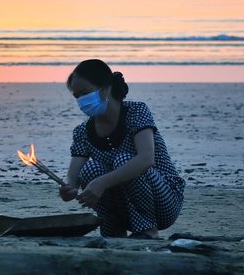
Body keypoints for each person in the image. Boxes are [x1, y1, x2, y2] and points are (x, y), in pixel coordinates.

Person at [58, 59, 184, 238]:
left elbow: (146, 159)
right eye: (77, 96)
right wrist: (67, 189)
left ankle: (148, 231)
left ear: (105, 89)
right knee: (90, 170)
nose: (81, 101)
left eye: (85, 93)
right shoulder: (82, 131)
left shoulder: (135, 111)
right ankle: (113, 231)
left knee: (124, 160)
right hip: (124, 206)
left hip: (163, 201)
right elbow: (73, 175)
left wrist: (101, 183)